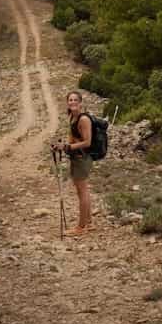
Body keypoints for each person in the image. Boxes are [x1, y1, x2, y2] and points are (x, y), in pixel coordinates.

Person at [56, 90, 94, 236]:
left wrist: (68, 147)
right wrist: (63, 145)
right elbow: (74, 138)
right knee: (82, 191)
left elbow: (87, 142)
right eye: (70, 100)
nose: (72, 102)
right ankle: (89, 223)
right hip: (77, 158)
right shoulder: (72, 116)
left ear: (80, 102)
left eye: (75, 100)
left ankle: (81, 227)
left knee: (82, 192)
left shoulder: (83, 119)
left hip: (82, 159)